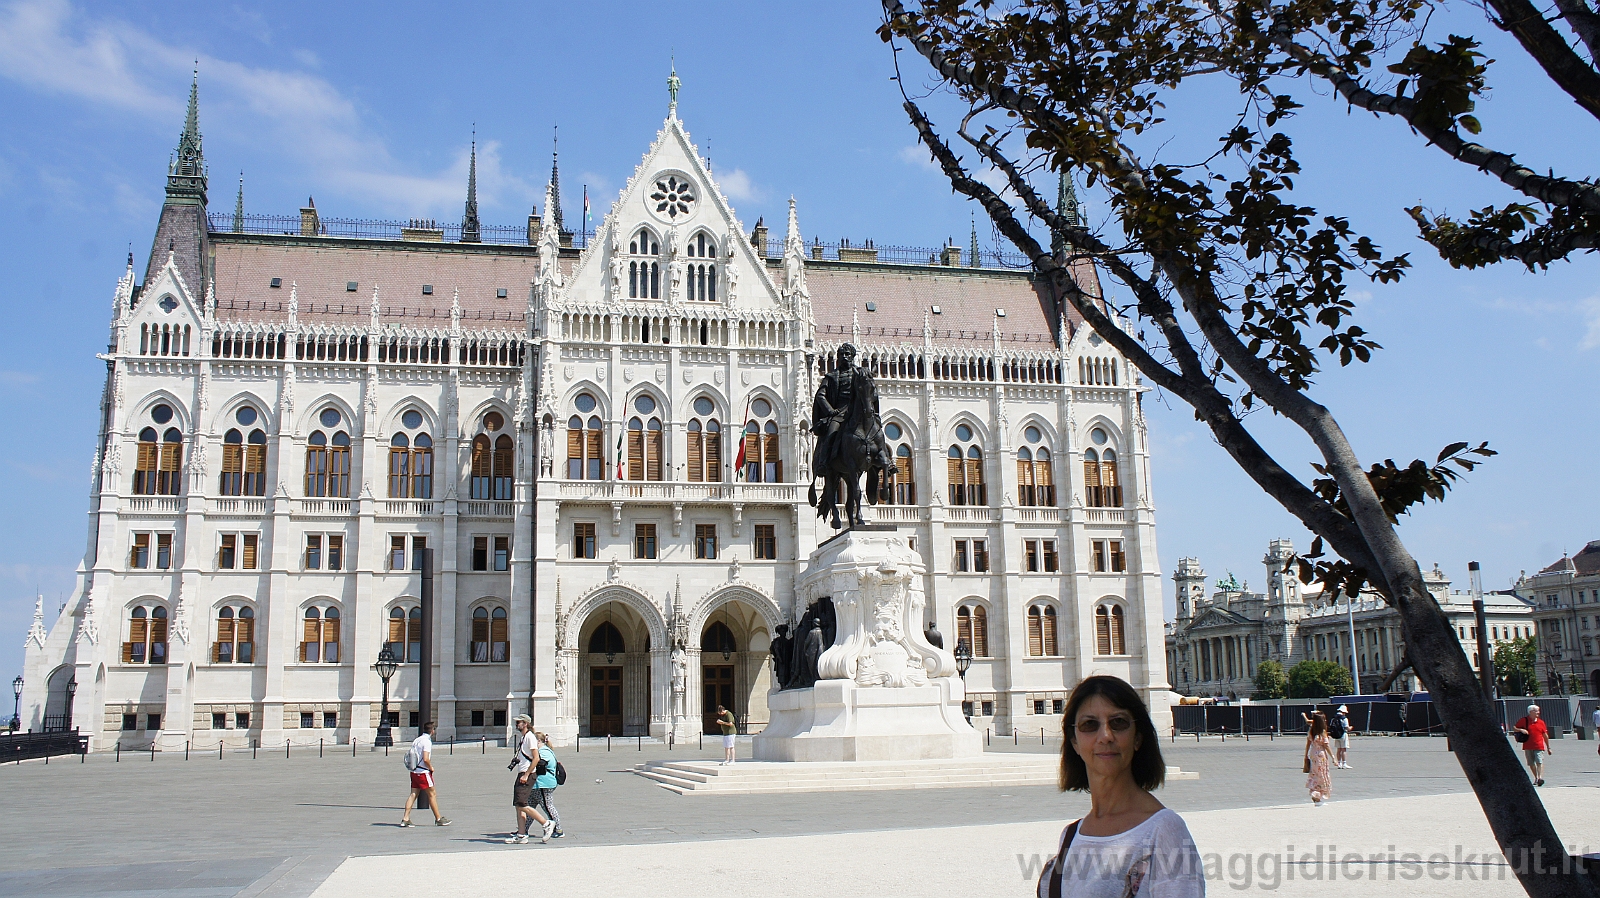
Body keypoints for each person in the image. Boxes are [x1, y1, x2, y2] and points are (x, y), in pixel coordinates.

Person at [1036, 675, 1204, 898]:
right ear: (1074, 741)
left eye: (1118, 722)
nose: (1105, 736)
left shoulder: (1164, 831)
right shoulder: (1071, 835)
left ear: (1138, 738)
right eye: (1090, 725)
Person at [504, 715, 553, 844]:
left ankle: (546, 823)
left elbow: (536, 758)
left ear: (525, 723)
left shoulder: (530, 737)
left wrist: (526, 774)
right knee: (518, 805)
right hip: (522, 772)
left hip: (528, 774)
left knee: (522, 804)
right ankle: (521, 835)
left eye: (519, 722)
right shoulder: (524, 737)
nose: (517, 724)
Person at [400, 721, 450, 827]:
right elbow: (426, 758)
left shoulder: (417, 740)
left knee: (413, 794)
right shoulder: (427, 742)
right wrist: (431, 767)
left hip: (414, 771)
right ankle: (438, 818)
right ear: (432, 731)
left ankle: (405, 818)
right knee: (432, 794)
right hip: (423, 772)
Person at [533, 731, 564, 839]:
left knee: (548, 806)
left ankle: (559, 829)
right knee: (529, 807)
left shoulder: (543, 752)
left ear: (538, 741)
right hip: (538, 784)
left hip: (544, 783)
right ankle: (523, 830)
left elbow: (541, 764)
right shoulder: (545, 750)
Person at [1514, 704, 1551, 787]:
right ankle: (1536, 778)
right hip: (1527, 745)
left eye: (1538, 710)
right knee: (1531, 763)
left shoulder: (1541, 722)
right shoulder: (1524, 720)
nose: (1538, 712)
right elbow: (1514, 728)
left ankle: (1540, 777)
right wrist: (1521, 730)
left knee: (1539, 761)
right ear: (1531, 712)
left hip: (1539, 745)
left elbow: (1545, 735)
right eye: (1536, 711)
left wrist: (1548, 747)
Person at [1305, 712, 1334, 806]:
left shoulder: (1312, 731)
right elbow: (1326, 746)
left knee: (1315, 774)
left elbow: (1308, 744)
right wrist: (1333, 757)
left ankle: (1315, 794)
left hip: (1313, 754)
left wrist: (1305, 755)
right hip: (1321, 755)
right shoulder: (1322, 732)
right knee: (1322, 775)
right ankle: (1318, 797)